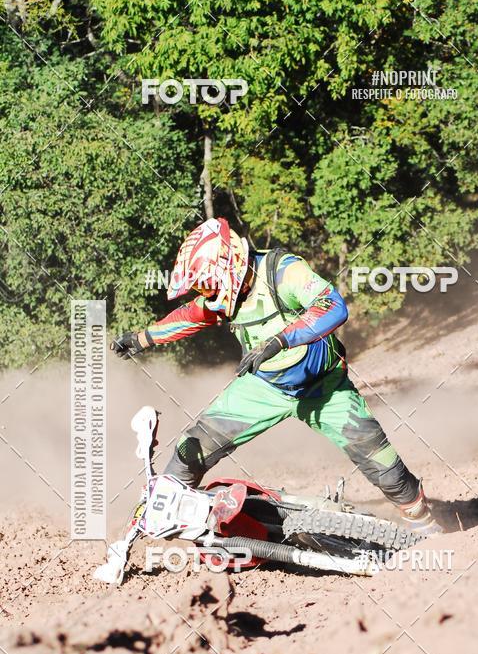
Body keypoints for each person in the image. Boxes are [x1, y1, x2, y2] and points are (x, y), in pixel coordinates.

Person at [111, 217, 441, 535]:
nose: (205, 292)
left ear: (229, 267)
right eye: (200, 286)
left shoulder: (282, 272)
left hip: (325, 388)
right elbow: (192, 315)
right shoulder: (223, 296)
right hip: (264, 387)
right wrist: (142, 338)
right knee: (191, 449)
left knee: (383, 465)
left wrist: (281, 340)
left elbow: (334, 304)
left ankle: (426, 524)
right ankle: (166, 519)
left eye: (206, 284)